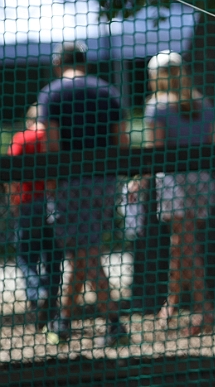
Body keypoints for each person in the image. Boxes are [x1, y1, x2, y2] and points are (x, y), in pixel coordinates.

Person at [36, 41, 130, 347]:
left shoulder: (52, 93)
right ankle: (62, 322)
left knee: (85, 253)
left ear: (57, 63)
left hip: (69, 184)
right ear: (85, 62)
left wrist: (51, 183)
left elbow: (51, 144)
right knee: (82, 252)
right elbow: (123, 140)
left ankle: (115, 324)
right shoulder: (108, 91)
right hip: (104, 184)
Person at [142, 49, 215, 336]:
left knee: (185, 245)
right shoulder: (203, 103)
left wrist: (140, 180)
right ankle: (172, 304)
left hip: (174, 183)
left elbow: (156, 151)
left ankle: (203, 309)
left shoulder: (157, 107)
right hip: (201, 181)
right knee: (183, 244)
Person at [7, 103, 63, 330]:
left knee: (26, 255)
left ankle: (36, 291)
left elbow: (12, 173)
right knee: (54, 257)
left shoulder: (22, 138)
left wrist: (14, 201)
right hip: (55, 203)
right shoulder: (56, 137)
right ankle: (50, 302)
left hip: (30, 204)